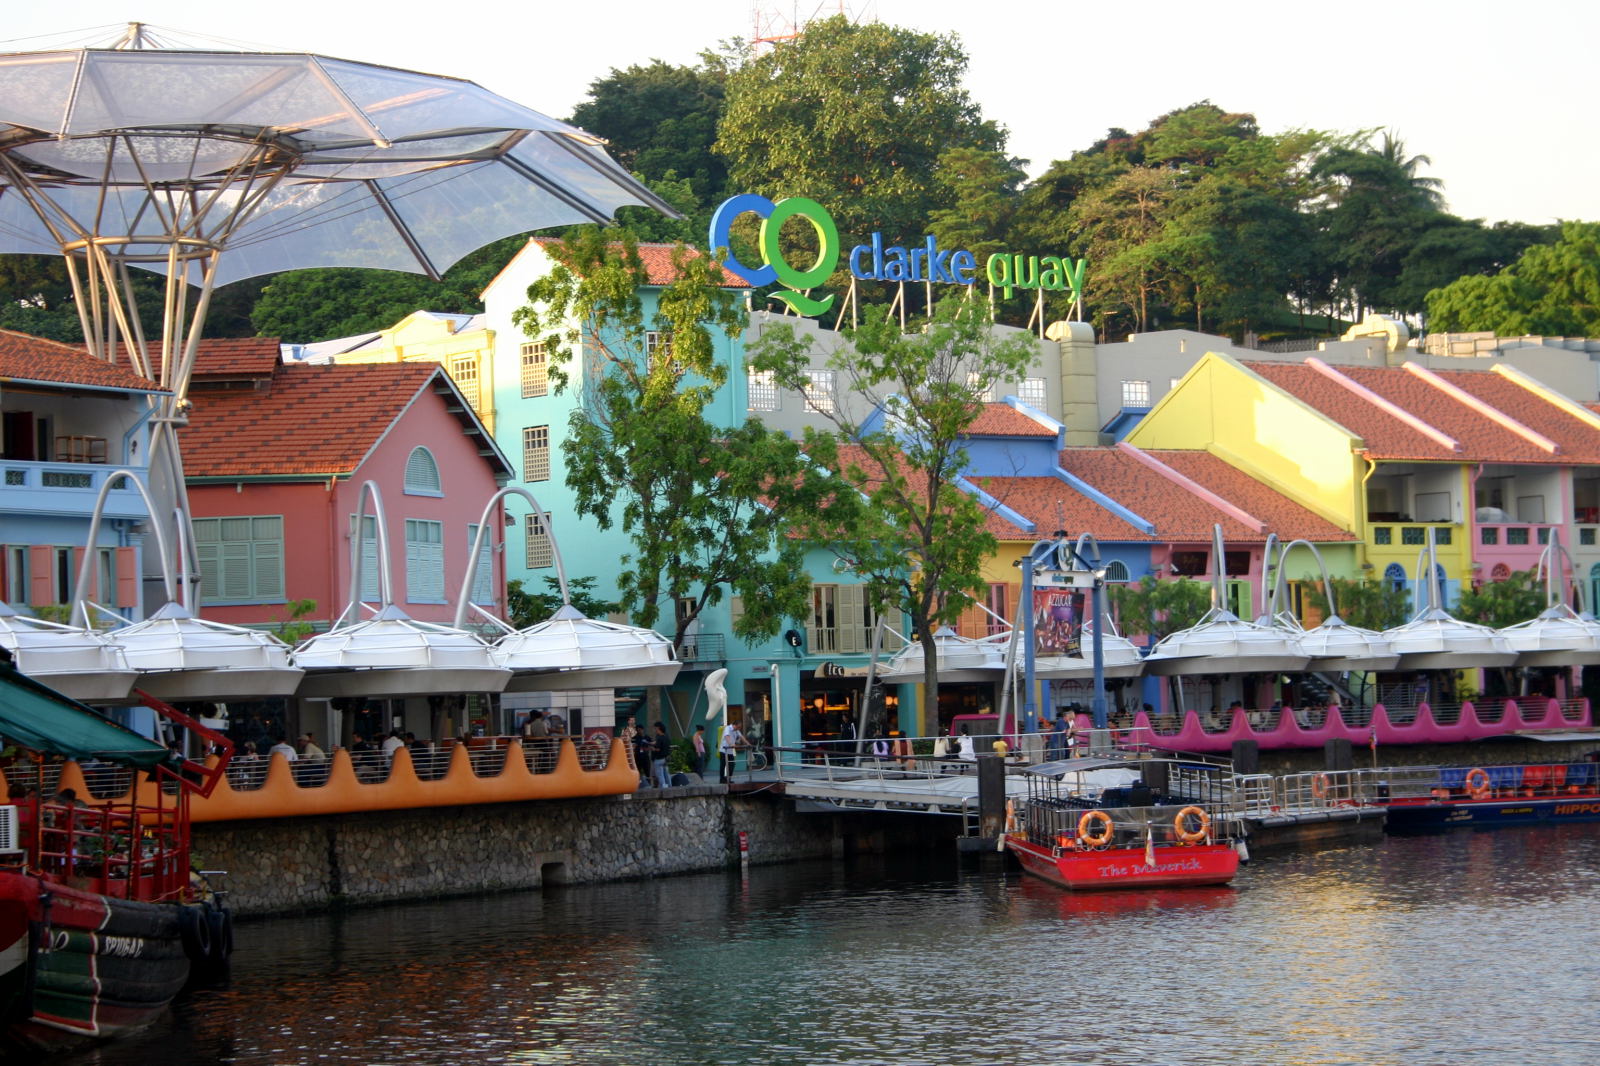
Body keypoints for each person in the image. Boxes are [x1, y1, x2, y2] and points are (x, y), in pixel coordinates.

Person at [719, 718, 745, 783]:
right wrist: (731, 744)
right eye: (738, 727)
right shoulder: (728, 728)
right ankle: (722, 779)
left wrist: (748, 744)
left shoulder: (736, 730)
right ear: (734, 725)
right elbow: (727, 737)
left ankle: (729, 779)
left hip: (730, 751)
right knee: (723, 765)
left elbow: (742, 737)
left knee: (732, 765)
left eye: (740, 727)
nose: (739, 728)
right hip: (724, 750)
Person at [651, 722, 672, 790]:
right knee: (666, 774)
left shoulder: (659, 738)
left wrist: (652, 748)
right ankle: (669, 786)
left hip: (659, 759)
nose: (655, 730)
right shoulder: (666, 736)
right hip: (665, 758)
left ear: (658, 728)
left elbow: (658, 749)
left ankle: (663, 788)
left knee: (660, 775)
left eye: (655, 728)